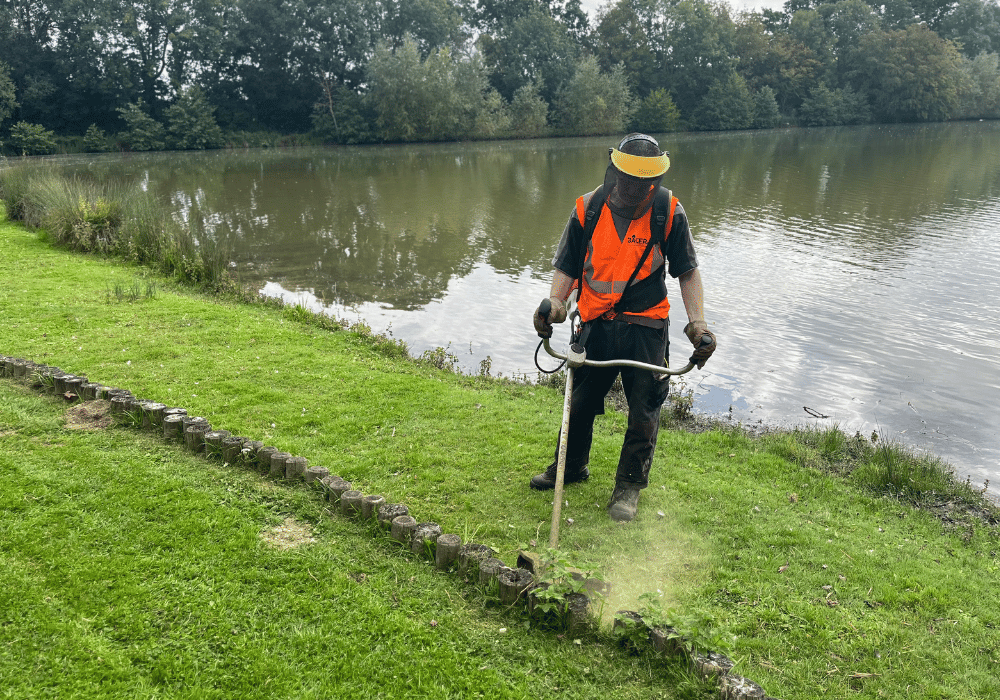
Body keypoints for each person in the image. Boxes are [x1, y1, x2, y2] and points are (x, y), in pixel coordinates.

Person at [532, 133, 716, 522]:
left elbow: (688, 272)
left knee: (644, 407)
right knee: (578, 402)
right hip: (594, 323)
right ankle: (570, 466)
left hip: (646, 326)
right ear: (614, 171)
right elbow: (567, 264)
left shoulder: (668, 211)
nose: (636, 188)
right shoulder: (588, 208)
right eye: (629, 179)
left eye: (645, 182)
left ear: (656, 179)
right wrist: (556, 305)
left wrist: (697, 324)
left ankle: (629, 487)